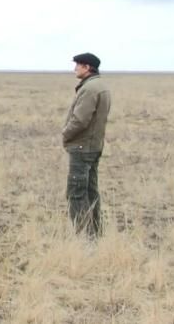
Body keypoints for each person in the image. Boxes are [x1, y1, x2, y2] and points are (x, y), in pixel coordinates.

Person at [63, 52, 111, 237]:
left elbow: (80, 120)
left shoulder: (90, 89)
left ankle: (83, 236)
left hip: (82, 147)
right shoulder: (101, 86)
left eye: (78, 65)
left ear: (87, 67)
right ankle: (95, 233)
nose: (75, 68)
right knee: (90, 192)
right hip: (94, 146)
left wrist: (66, 134)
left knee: (76, 193)